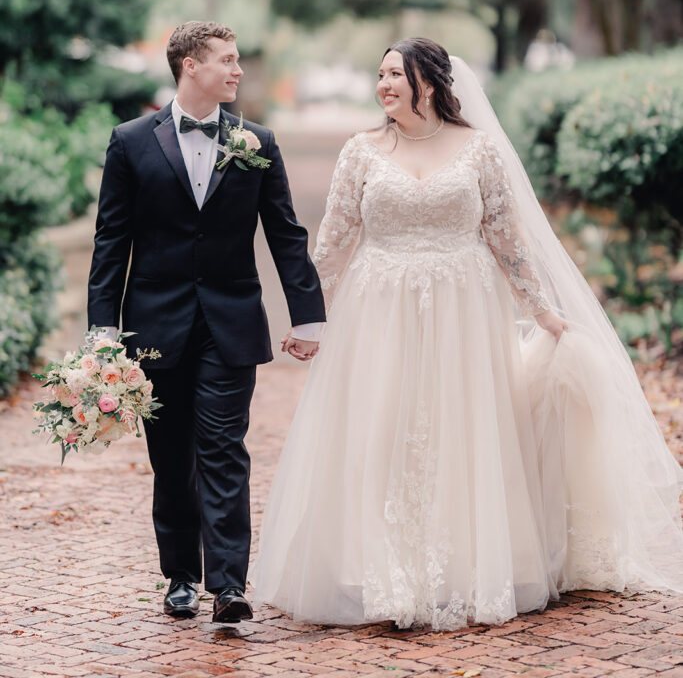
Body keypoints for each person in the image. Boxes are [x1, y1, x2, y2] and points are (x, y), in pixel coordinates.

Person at [251, 37, 683, 631]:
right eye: (380, 75)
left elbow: (507, 238)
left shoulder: (479, 149)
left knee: (462, 429)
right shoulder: (360, 150)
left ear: (428, 83)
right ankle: (380, 570)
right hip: (378, 309)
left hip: (464, 310)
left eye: (395, 74)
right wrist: (309, 316)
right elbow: (335, 240)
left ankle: (464, 567)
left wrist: (544, 310)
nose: (383, 85)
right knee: (380, 427)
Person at [87, 21, 325, 624]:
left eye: (238, 59)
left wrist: (308, 316)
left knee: (223, 449)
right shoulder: (130, 142)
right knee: (171, 458)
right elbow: (111, 240)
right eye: (227, 60)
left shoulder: (257, 142)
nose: (238, 70)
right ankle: (181, 577)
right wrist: (103, 330)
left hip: (231, 322)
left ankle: (228, 586)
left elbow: (285, 234)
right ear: (190, 65)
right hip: (154, 328)